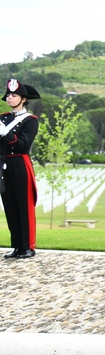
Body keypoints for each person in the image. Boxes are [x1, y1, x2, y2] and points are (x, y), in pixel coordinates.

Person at [1, 79, 40, 260]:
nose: (10, 98)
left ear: (23, 99)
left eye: (14, 95)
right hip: (4, 164)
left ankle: (28, 246)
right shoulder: (3, 118)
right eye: (8, 95)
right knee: (10, 205)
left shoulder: (30, 120)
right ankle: (17, 246)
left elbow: (23, 145)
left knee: (24, 205)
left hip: (20, 163)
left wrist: (5, 133)